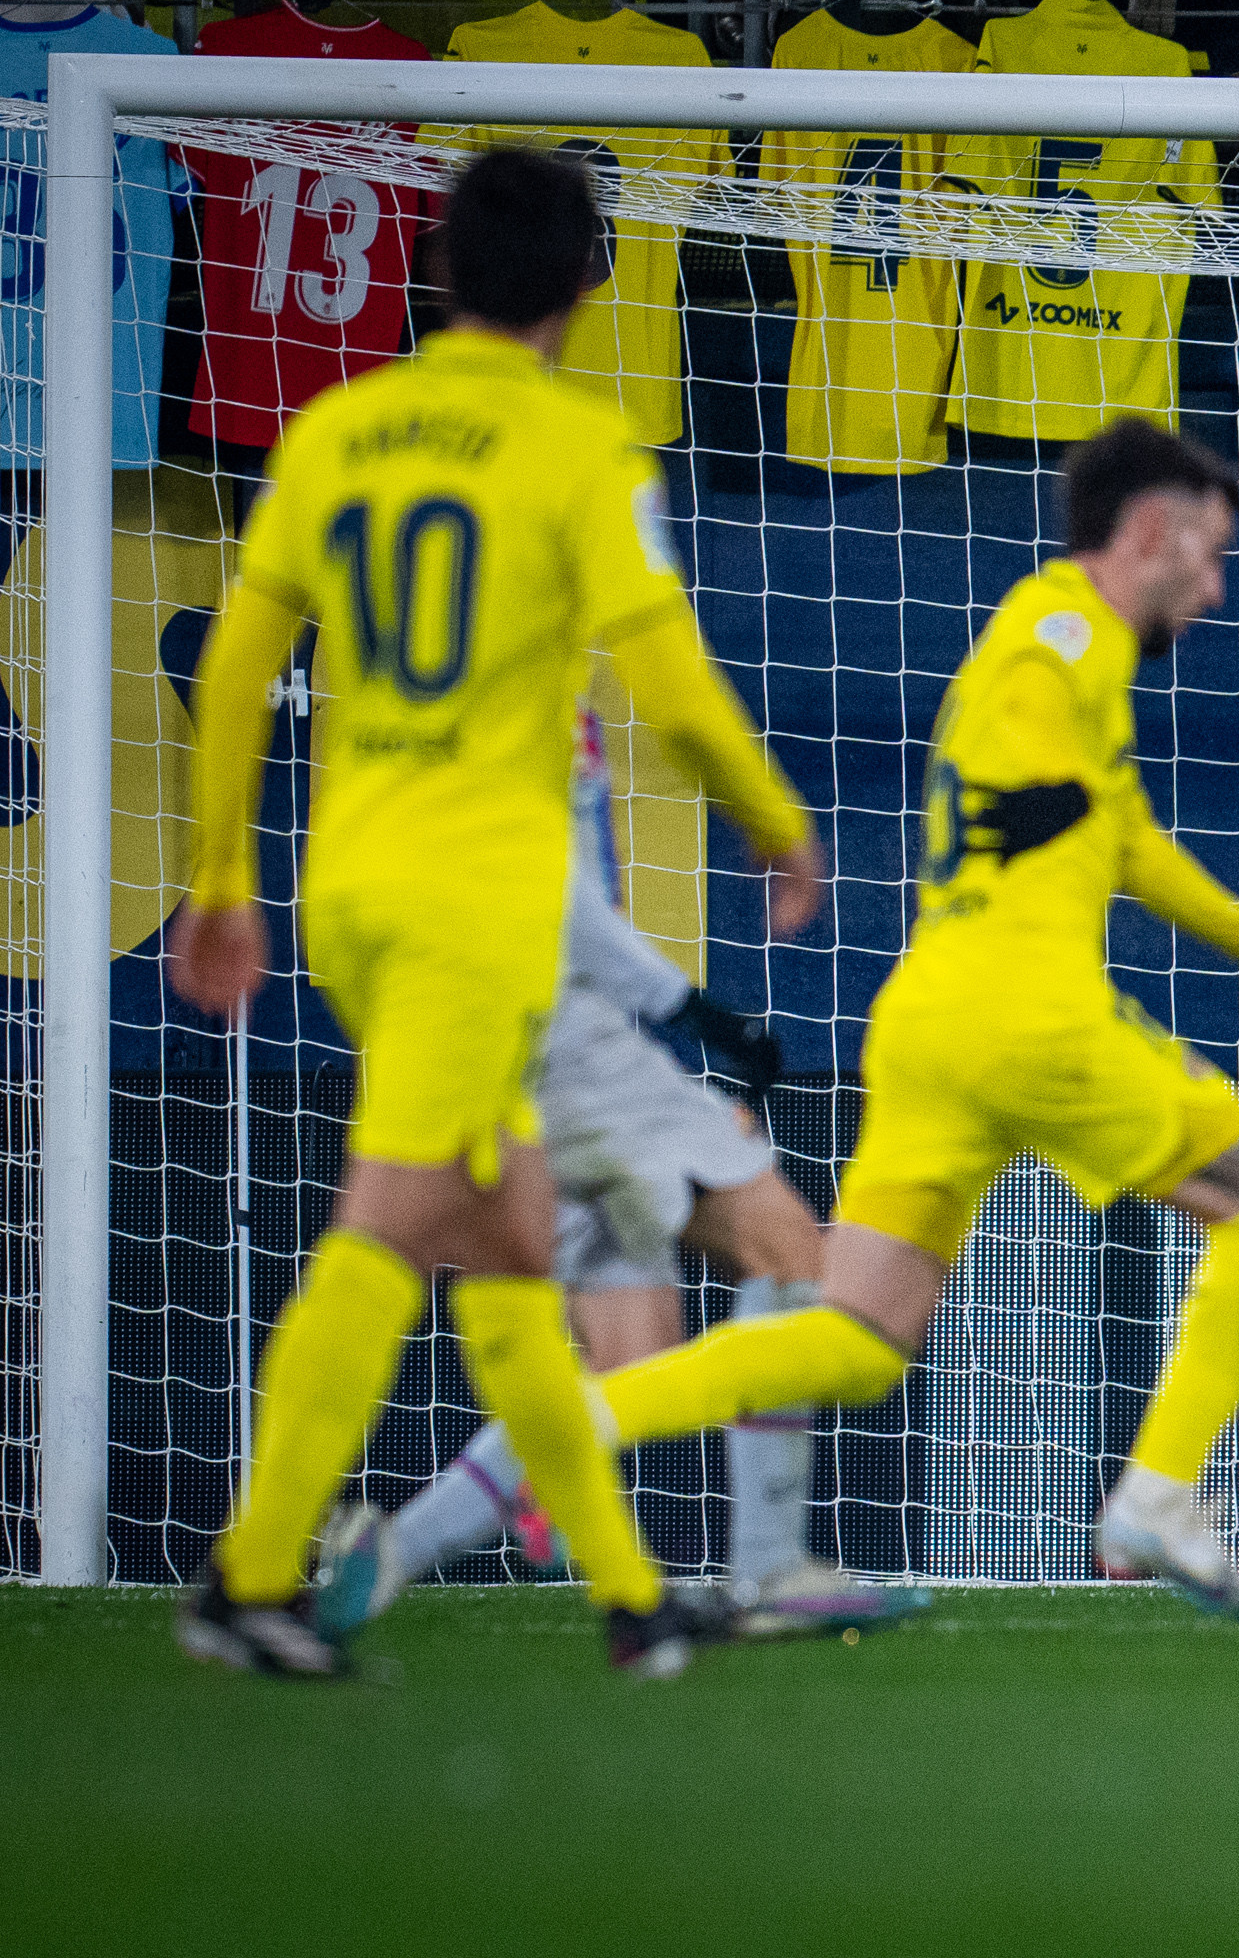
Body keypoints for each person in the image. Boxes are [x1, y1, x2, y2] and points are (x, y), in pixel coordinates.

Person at [167, 146, 824, 1678]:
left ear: (436, 268)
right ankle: (250, 1578)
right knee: (390, 1224)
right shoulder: (582, 455)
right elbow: (670, 688)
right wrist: (780, 827)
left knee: (515, 1246)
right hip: (479, 903)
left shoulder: (338, 431)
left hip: (351, 886)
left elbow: (235, 661)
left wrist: (218, 874)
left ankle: (632, 1600)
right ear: (592, 285)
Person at [570, 417, 1239, 1620]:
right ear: (1151, 532)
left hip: (929, 1020)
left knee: (859, 1333)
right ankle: (1158, 1494)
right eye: (1210, 555)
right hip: (1029, 1014)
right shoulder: (1064, 623)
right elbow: (1034, 719)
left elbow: (1123, 831)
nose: (1216, 585)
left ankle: (580, 1418)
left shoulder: (1064, 657)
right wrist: (1034, 784)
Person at [312, 711, 923, 1642]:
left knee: (631, 1366)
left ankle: (399, 1546)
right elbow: (559, 902)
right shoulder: (528, 685)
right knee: (790, 1254)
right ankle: (769, 1571)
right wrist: (699, 1013)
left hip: (492, 1052)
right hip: (570, 1040)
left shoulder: (432, 714)